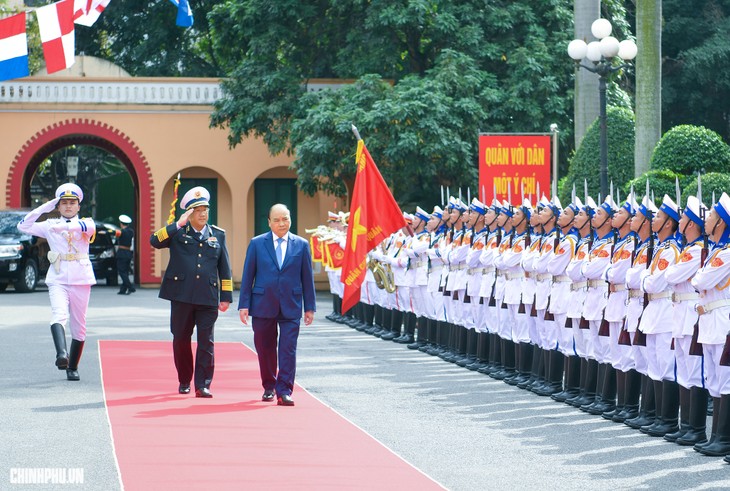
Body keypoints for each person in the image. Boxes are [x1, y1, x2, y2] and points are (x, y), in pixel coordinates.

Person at [150, 186, 232, 398]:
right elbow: (154, 240)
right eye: (197, 209)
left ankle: (203, 384)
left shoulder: (218, 235)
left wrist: (226, 297)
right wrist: (177, 224)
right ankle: (184, 379)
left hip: (208, 296)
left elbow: (225, 268)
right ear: (189, 213)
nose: (203, 213)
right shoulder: (177, 233)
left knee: (207, 341)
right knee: (180, 339)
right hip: (182, 295)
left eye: (205, 208)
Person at [238, 203, 316, 406]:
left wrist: (310, 307)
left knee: (288, 348)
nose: (282, 223)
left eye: (286, 218)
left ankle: (284, 390)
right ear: (269, 222)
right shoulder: (257, 243)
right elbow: (248, 275)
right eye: (277, 220)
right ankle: (269, 386)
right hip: (263, 303)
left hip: (291, 304)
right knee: (265, 348)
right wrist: (244, 304)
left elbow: (307, 278)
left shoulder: (301, 245)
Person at [17, 183, 96, 381]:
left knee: (79, 325)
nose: (68, 206)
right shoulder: (49, 224)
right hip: (58, 277)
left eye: (72, 203)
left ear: (79, 206)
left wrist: (60, 226)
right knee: (59, 314)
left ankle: (73, 366)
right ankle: (62, 354)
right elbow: (23, 226)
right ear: (58, 206)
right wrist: (45, 207)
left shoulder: (87, 222)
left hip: (80, 278)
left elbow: (82, 227)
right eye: (63, 203)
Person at [116, 214, 135, 295]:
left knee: (121, 271)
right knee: (125, 271)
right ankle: (123, 289)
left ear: (121, 223)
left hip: (122, 253)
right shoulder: (131, 231)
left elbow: (115, 234)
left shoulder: (120, 232)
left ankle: (131, 287)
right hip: (128, 253)